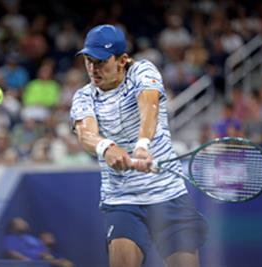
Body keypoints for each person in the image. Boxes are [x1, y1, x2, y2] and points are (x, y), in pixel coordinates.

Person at [70, 24, 207, 267]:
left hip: (168, 194)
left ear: (122, 60)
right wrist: (106, 148)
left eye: (101, 61)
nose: (93, 68)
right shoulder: (83, 96)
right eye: (88, 60)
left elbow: (149, 106)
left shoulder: (142, 71)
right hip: (122, 200)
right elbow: (86, 134)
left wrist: (142, 145)